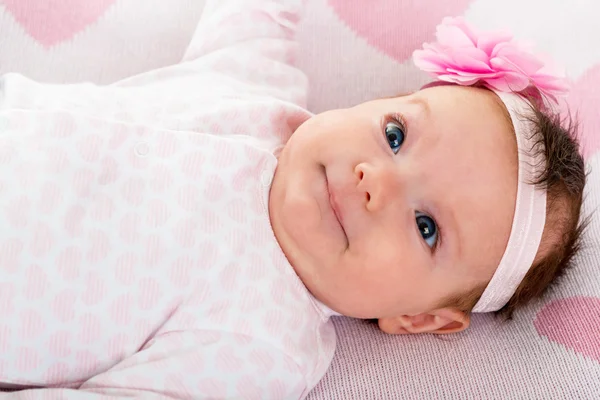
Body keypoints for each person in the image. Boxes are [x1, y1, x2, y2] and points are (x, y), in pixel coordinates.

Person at [0, 1, 585, 398]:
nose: (374, 180)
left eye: (426, 226)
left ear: (419, 317)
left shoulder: (262, 343)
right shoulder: (257, 88)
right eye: (396, 136)